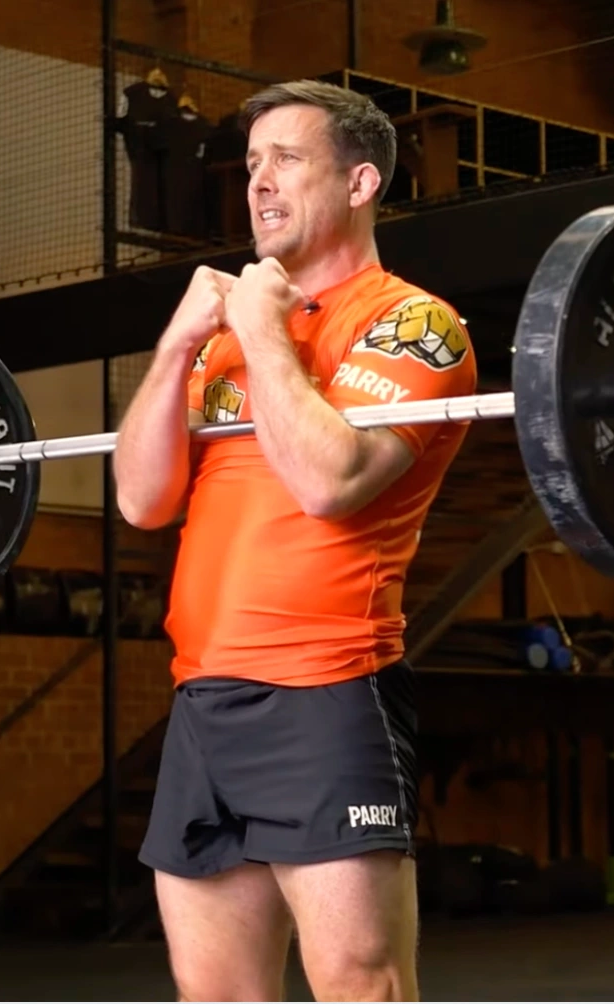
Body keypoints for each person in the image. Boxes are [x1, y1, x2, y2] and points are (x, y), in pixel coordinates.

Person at [112, 80, 479, 1002]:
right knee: (218, 995)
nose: (259, 183)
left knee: (361, 983)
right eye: (251, 165)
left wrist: (262, 329)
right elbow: (141, 500)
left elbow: (329, 481)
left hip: (326, 689)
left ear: (360, 182)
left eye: (287, 159)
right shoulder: (219, 344)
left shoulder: (413, 324)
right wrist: (177, 346)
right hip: (203, 697)